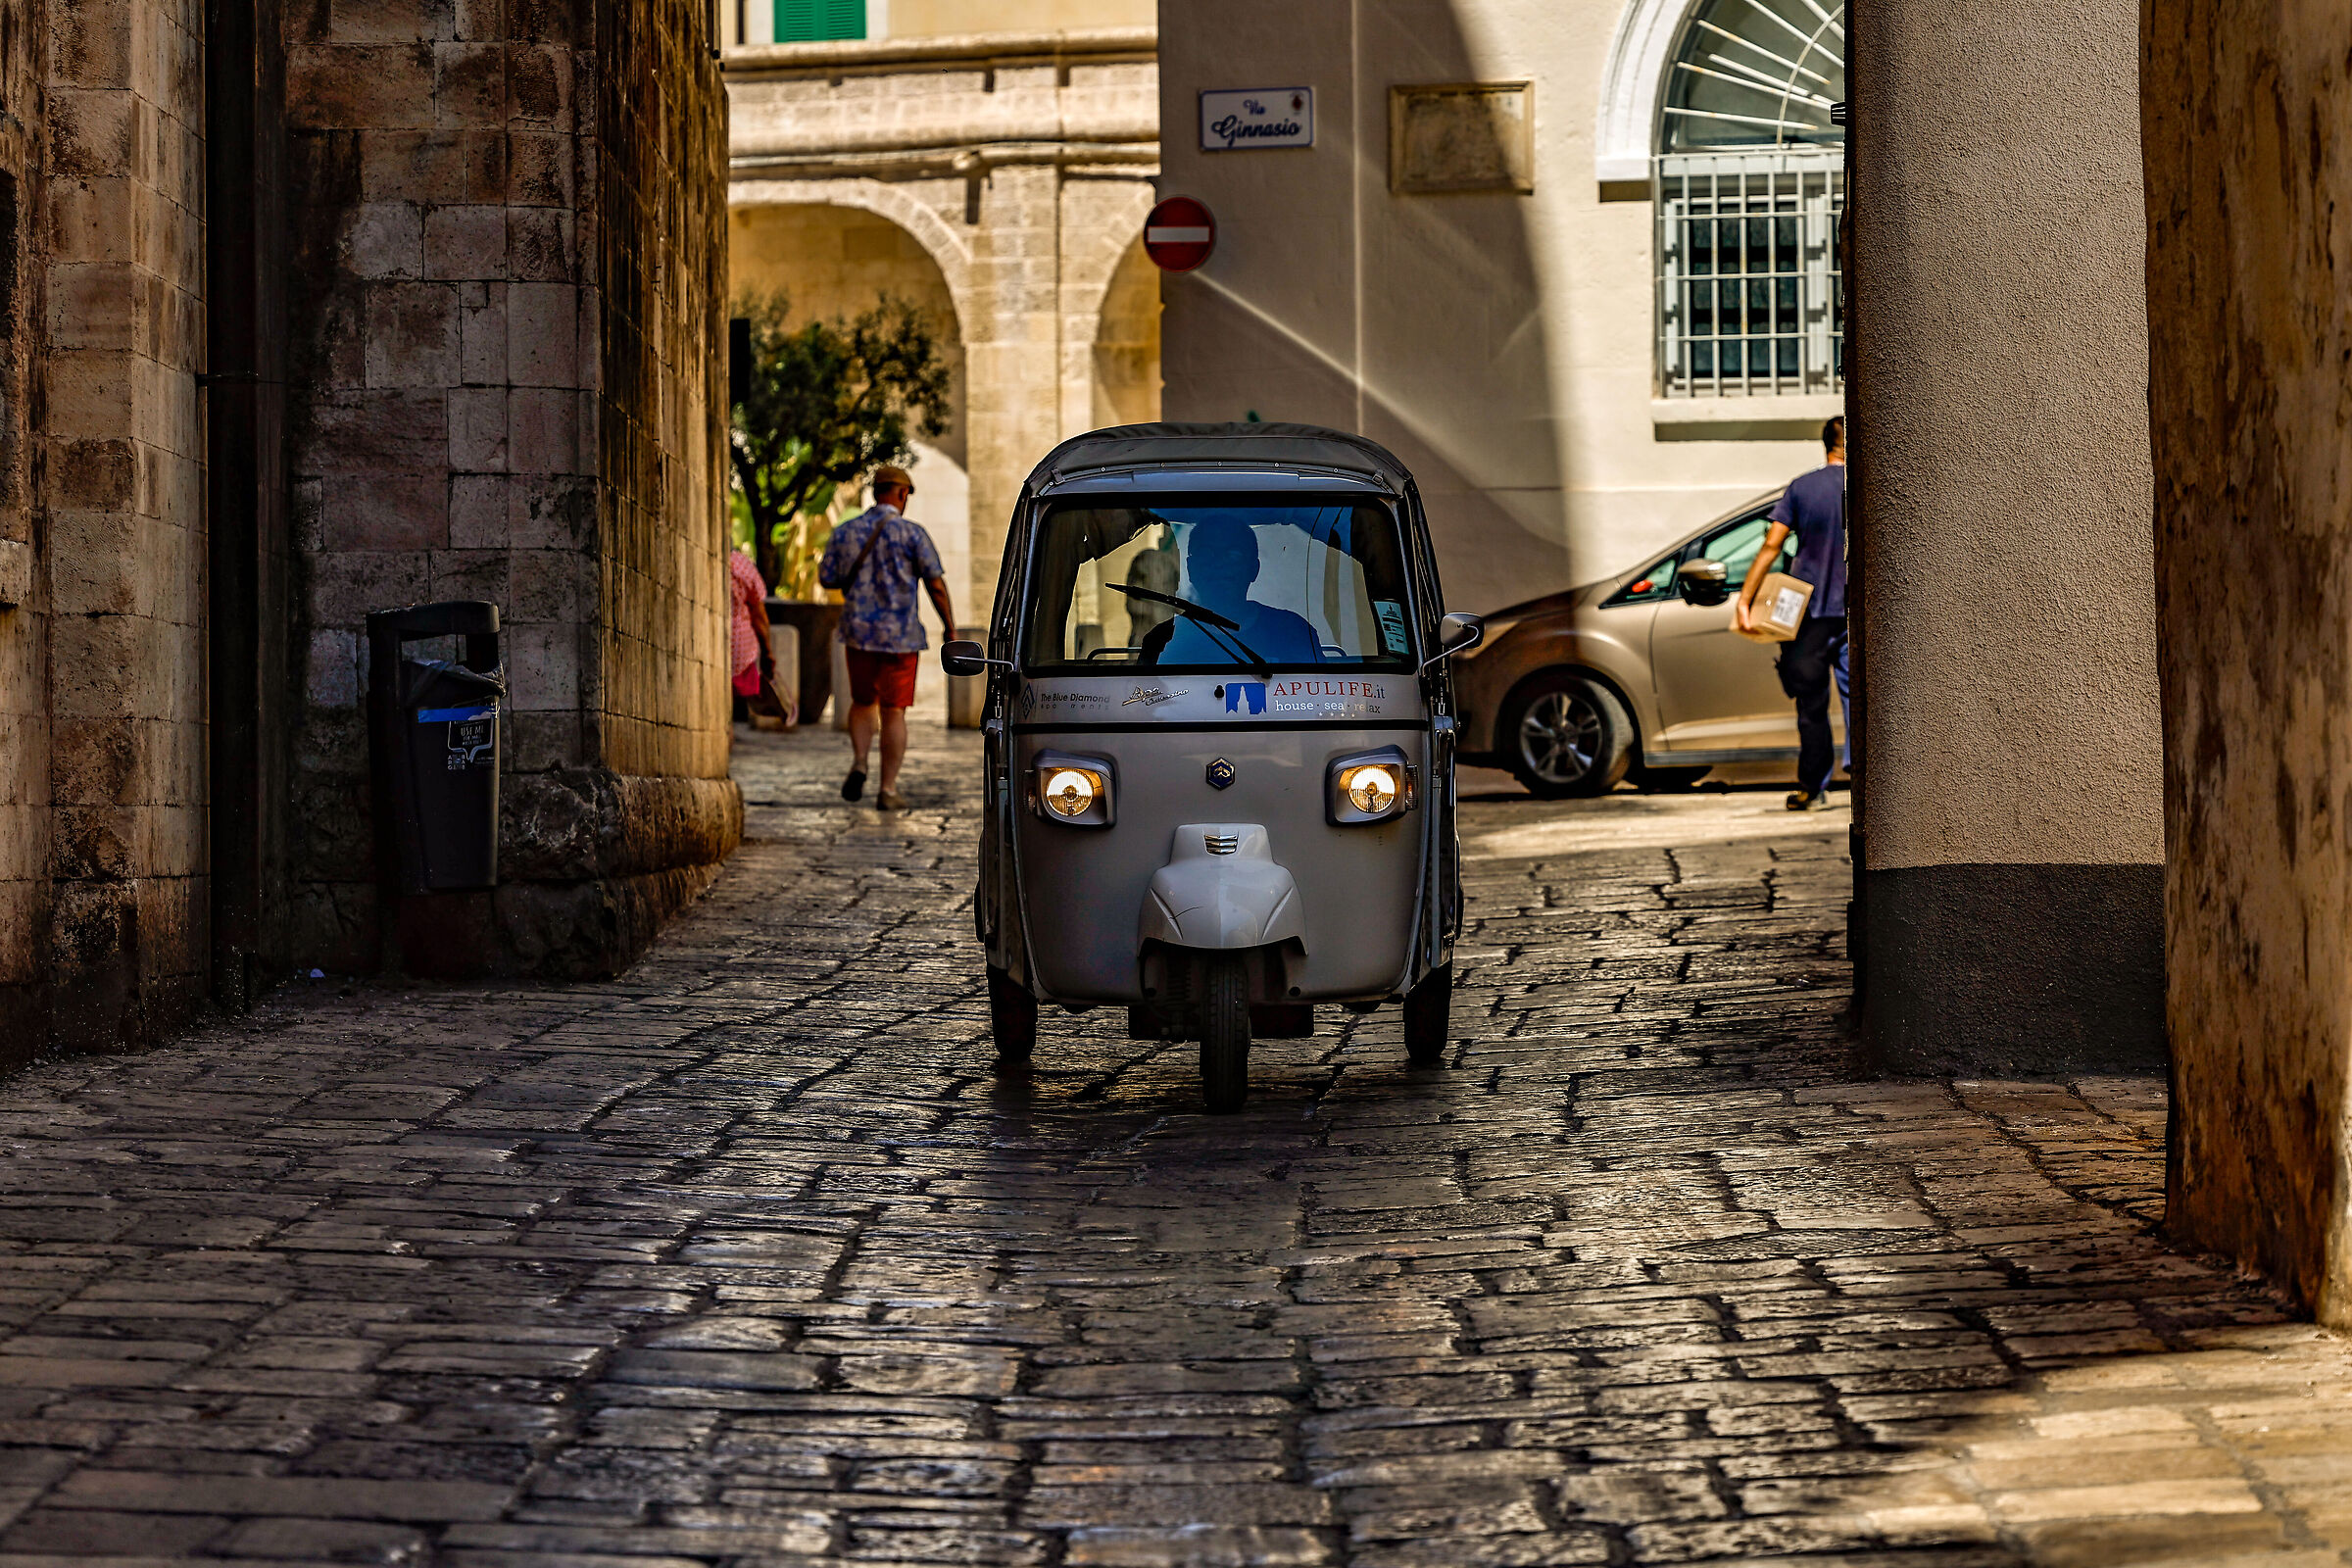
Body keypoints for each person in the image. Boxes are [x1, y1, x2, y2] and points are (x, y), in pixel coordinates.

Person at [818, 464, 955, 811]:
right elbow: (935, 584)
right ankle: (888, 789)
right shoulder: (912, 534)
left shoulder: (845, 532)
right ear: (901, 493)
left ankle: (860, 761)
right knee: (894, 713)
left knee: (862, 703)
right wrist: (949, 627)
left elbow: (828, 579)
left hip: (858, 634)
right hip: (900, 639)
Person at [1735, 415, 1847, 811]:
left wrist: (1745, 600)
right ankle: (1869, 787)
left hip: (1810, 615)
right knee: (1862, 702)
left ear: (1826, 445)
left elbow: (1771, 546)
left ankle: (1813, 788)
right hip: (1857, 615)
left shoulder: (1803, 488)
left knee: (1811, 704)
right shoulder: (1867, 486)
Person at [1141, 516, 1321, 665]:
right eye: (1207, 554)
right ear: (1191, 568)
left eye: (1233, 555)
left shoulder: (1295, 633)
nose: (1219, 565)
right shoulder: (1162, 642)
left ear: (1254, 568)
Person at [728, 545, 781, 727]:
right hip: (738, 650)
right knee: (732, 709)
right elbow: (759, 614)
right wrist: (768, 652)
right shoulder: (741, 565)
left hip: (708, 644)